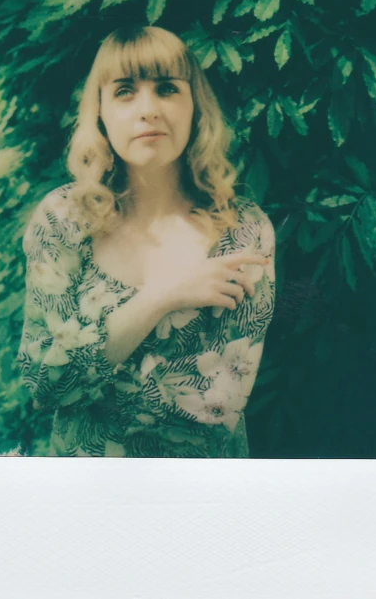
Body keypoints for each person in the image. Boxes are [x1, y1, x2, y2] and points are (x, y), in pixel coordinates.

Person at [17, 25, 276, 458]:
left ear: (195, 106)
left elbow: (219, 407)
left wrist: (91, 366)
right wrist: (164, 296)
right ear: (100, 112)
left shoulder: (243, 230)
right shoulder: (64, 219)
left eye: (168, 89)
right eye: (124, 91)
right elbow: (45, 384)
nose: (149, 109)